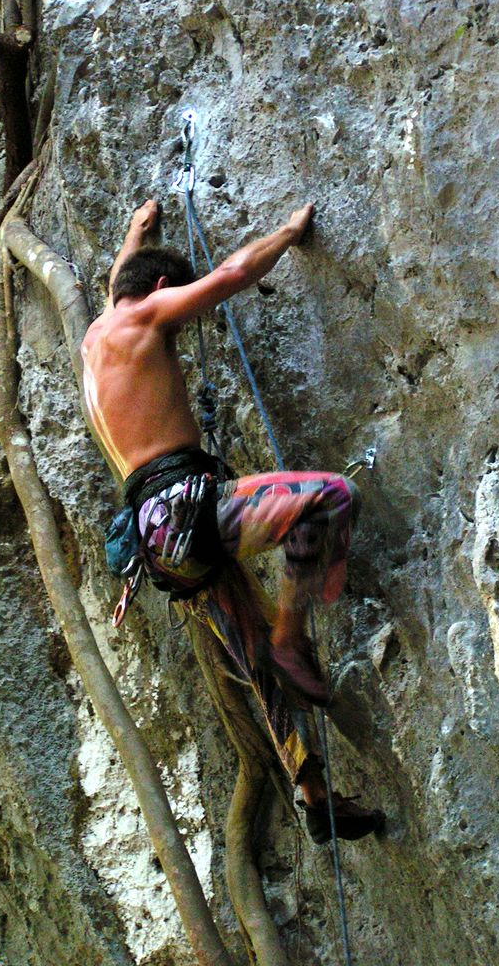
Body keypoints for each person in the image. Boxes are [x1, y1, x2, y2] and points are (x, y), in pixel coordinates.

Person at [81, 199, 384, 842]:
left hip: (156, 545)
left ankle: (315, 796)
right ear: (162, 290)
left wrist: (140, 225)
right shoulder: (143, 315)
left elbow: (122, 275)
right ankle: (294, 633)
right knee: (328, 497)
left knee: (253, 666)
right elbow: (230, 277)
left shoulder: (99, 331)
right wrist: (289, 232)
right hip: (186, 506)